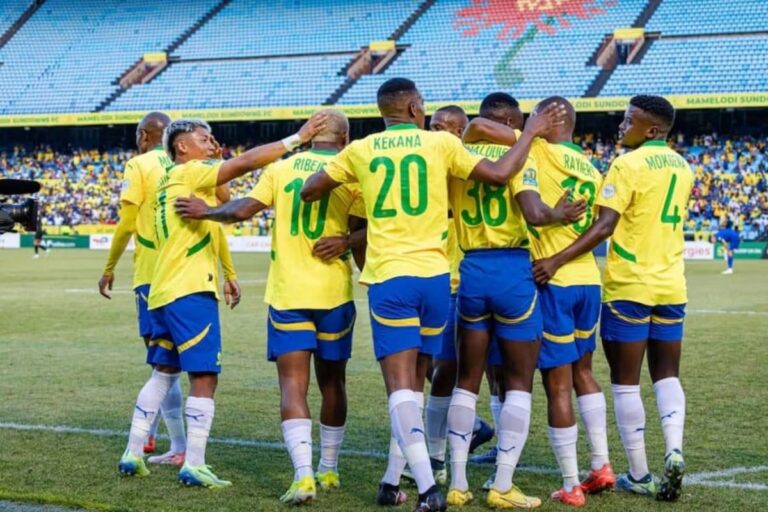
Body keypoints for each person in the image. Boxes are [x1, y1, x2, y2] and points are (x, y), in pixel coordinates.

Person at [300, 77, 567, 511]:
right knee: (430, 375)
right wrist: (531, 132)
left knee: (403, 385)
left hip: (390, 277)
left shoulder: (361, 150)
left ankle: (428, 488)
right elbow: (500, 173)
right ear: (413, 109)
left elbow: (311, 189)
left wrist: (347, 185)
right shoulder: (439, 146)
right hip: (437, 277)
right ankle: (392, 479)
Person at [117, 113, 327, 488]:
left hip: (163, 288)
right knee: (204, 375)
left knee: (164, 371)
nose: (210, 143)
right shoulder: (188, 171)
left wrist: (228, 273)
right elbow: (243, 165)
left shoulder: (173, 179)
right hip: (189, 290)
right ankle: (194, 463)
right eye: (203, 137)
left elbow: (224, 196)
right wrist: (297, 138)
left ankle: (133, 451)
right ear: (182, 146)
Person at [175, 109, 366, 505]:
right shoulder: (352, 168)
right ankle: (329, 468)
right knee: (333, 382)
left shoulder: (283, 169)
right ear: (344, 137)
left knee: (292, 385)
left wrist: (206, 211)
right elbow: (372, 224)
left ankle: (304, 477)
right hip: (334, 291)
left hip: (288, 294)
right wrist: (346, 243)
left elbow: (243, 209)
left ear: (312, 136)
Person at [533, 95, 693, 502]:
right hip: (673, 284)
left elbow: (604, 226)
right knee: (667, 375)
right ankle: (674, 449)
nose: (622, 127)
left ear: (653, 130)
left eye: (630, 121)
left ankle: (638, 472)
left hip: (631, 285)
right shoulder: (683, 165)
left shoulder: (627, 164)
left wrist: (557, 258)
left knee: (625, 383)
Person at [444, 92, 585, 509]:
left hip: (470, 269)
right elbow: (536, 213)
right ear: (507, 120)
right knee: (519, 383)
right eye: (518, 123)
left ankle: (457, 482)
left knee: (467, 380)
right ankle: (502, 485)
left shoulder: (459, 156)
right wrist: (560, 214)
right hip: (513, 271)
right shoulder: (521, 156)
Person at [483, 97, 615, 507]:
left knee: (556, 384)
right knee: (584, 374)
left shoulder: (533, 148)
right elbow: (600, 227)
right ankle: (602, 465)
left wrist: (529, 131)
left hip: (551, 280)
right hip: (588, 282)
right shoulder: (592, 167)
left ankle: (572, 484)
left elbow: (481, 129)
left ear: (549, 119)